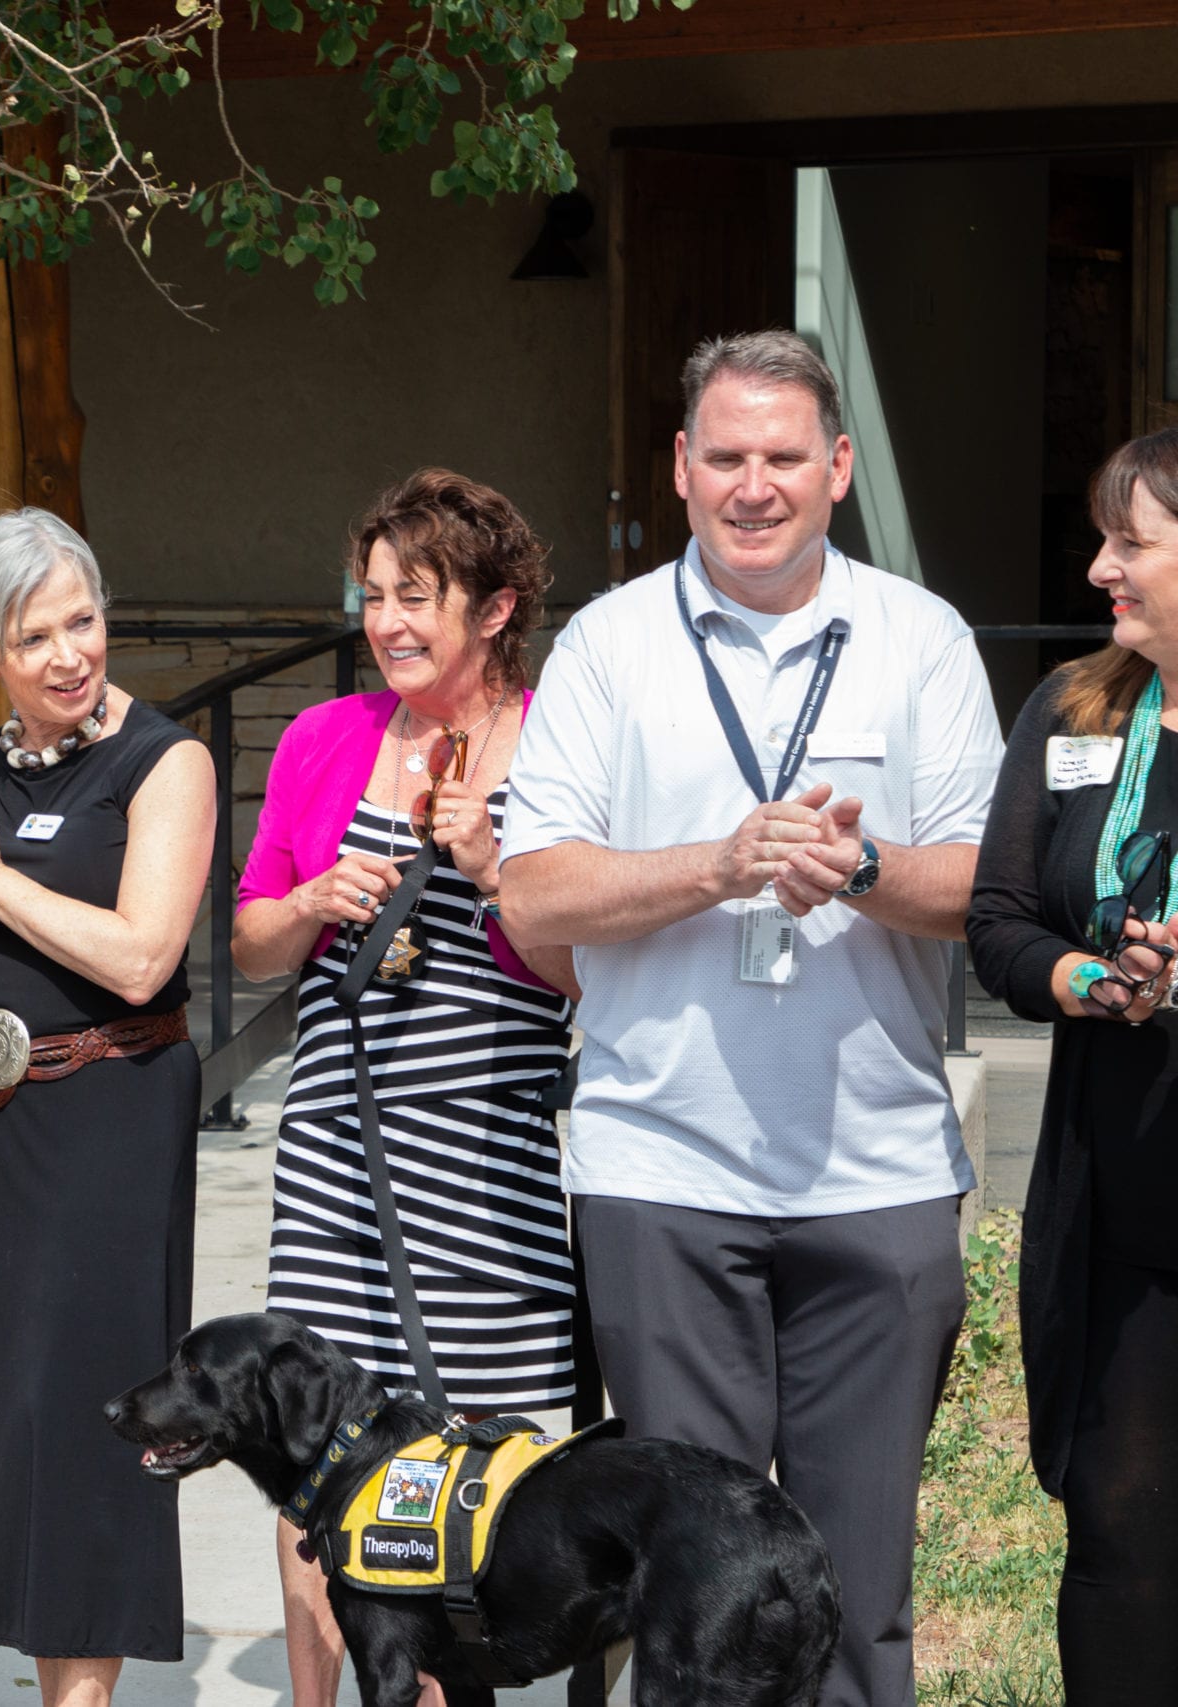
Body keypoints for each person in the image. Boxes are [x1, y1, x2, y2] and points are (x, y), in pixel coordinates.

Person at [499, 329, 1003, 1707]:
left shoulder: (921, 638)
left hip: (877, 1176)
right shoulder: (608, 647)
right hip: (663, 1176)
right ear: (681, 467)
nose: (755, 484)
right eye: (726, 455)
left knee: (857, 1594)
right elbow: (534, 889)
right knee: (691, 1592)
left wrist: (863, 867)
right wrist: (717, 864)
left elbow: (984, 882)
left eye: (786, 455)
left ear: (839, 467)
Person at [231, 470, 579, 1707]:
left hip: (485, 1162)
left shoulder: (556, 745)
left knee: (466, 1458)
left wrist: (494, 871)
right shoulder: (323, 742)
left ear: (493, 607)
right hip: (338, 1150)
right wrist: (310, 904)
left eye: (415, 595)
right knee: (311, 1450)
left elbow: (582, 974)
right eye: (371, 594)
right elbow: (250, 939)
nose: (384, 621)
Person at [0, 507, 215, 1707]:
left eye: (85, 620)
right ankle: (31, 1665)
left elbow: (137, 958)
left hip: (109, 1115)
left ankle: (83, 1695)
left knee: (89, 1405)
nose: (72, 654)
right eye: (36, 636)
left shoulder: (165, 763)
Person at [965, 427, 1178, 1703]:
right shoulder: (1076, 710)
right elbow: (999, 922)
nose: (1099, 566)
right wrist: (1101, 983)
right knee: (1120, 1532)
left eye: (1130, 541)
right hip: (1119, 1204)